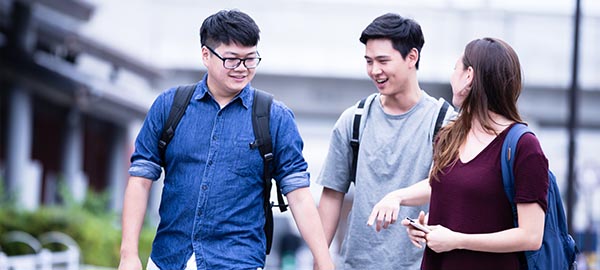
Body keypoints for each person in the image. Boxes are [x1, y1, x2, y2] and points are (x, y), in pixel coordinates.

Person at [118, 9, 334, 270]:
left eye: (250, 59)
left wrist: (323, 262)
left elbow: (299, 195)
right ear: (206, 55)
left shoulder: (275, 117)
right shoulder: (169, 106)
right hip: (168, 259)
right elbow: (140, 180)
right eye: (232, 60)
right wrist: (128, 255)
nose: (242, 69)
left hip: (238, 261)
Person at [367, 37, 548, 270]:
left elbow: (531, 236)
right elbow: (440, 186)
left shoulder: (524, 146)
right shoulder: (450, 134)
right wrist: (427, 229)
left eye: (455, 69)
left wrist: (457, 240)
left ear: (469, 75)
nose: (452, 76)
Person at [316, 13, 456, 269]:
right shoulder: (354, 120)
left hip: (421, 263)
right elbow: (332, 194)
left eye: (383, 60)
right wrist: (320, 261)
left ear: (411, 57)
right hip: (356, 264)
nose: (374, 70)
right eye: (368, 61)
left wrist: (397, 197)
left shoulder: (445, 122)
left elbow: (447, 185)